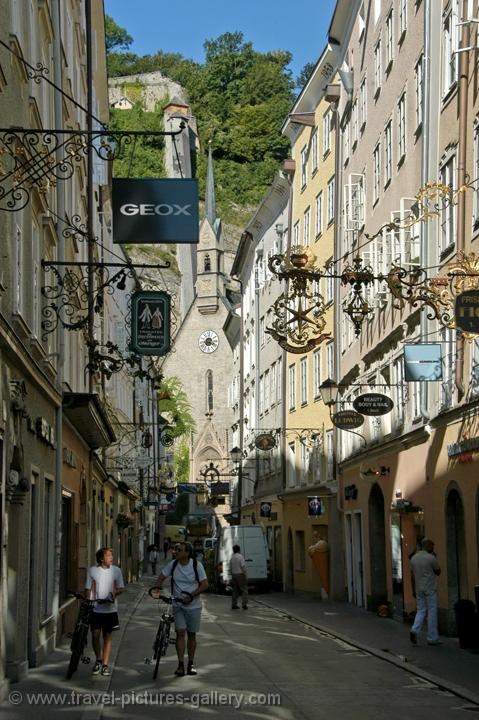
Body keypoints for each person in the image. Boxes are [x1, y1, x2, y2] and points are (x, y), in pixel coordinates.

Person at [154, 541, 208, 677]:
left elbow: (205, 585)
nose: (176, 551)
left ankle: (190, 663)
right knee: (180, 632)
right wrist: (157, 588)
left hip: (194, 606)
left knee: (191, 634)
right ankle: (180, 665)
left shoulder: (197, 566)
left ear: (187, 553)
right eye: (176, 549)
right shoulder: (173, 564)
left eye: (179, 550)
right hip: (178, 605)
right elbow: (161, 576)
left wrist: (191, 596)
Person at [85, 547, 124, 676]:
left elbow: (121, 588)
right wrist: (88, 601)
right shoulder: (93, 571)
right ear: (101, 558)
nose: (111, 558)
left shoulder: (116, 571)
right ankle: (98, 659)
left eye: (111, 555)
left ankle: (105, 664)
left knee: (107, 637)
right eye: (108, 556)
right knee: (95, 635)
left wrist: (114, 594)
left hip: (110, 610)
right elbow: (87, 588)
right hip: (96, 609)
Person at [410, 538, 441, 646]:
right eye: (432, 545)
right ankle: (432, 637)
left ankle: (414, 630)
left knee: (421, 610)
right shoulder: (431, 558)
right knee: (432, 611)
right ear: (427, 545)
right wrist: (435, 557)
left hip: (419, 588)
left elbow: (412, 576)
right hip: (430, 588)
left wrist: (413, 589)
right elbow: (438, 571)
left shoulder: (414, 558)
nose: (433, 546)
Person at [230, 544, 248, 610]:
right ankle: (244, 604)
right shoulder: (240, 557)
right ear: (239, 550)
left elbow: (230, 568)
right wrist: (245, 575)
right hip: (240, 575)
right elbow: (243, 566)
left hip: (234, 575)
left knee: (235, 590)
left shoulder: (232, 558)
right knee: (244, 590)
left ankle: (234, 605)